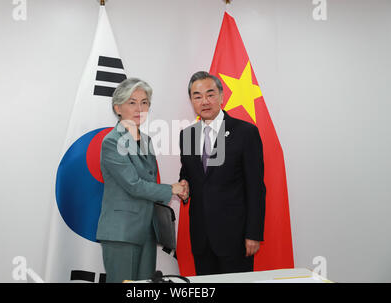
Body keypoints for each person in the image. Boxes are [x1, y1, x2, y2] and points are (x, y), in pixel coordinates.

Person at [96, 78, 186, 283]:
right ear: (117, 107)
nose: (139, 108)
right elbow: (134, 185)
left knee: (145, 290)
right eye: (132, 102)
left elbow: (148, 181)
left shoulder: (146, 140)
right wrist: (172, 189)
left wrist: (178, 188)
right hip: (122, 232)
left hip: (147, 230)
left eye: (144, 102)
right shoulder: (111, 142)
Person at [178, 71, 266, 275]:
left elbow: (256, 187)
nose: (204, 101)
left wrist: (253, 233)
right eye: (197, 96)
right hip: (201, 237)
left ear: (221, 96)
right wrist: (184, 183)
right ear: (191, 100)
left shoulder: (245, 132)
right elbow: (189, 173)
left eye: (210, 94)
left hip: (236, 238)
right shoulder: (187, 135)